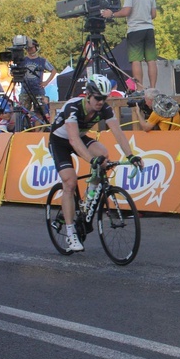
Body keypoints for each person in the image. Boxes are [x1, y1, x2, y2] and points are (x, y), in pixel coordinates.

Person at [48, 74, 143, 252]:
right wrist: (91, 160)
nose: (101, 102)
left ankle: (86, 202)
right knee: (69, 181)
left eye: (104, 98)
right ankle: (71, 233)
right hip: (60, 141)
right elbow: (74, 140)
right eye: (98, 98)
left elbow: (118, 133)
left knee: (104, 154)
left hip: (80, 138)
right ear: (88, 95)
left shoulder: (104, 108)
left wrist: (131, 155)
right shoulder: (73, 107)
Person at [100, 0, 158, 90]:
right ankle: (153, 87)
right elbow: (153, 15)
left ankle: (140, 88)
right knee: (151, 60)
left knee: (136, 60)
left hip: (135, 30)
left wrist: (112, 14)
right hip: (149, 29)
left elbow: (127, 11)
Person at [18, 36, 57, 123]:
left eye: (32, 48)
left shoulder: (42, 61)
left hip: (38, 90)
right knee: (23, 112)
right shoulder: (23, 60)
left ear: (36, 48)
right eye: (28, 48)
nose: (30, 49)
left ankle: (38, 130)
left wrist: (46, 82)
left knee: (40, 112)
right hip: (25, 90)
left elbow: (53, 70)